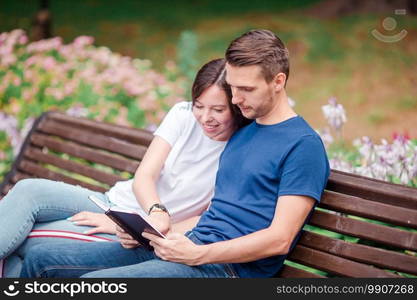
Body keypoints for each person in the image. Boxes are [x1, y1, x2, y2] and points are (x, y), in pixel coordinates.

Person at [21, 29, 330, 278]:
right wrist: (149, 232)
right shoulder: (244, 131)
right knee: (43, 258)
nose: (236, 99)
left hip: (227, 268)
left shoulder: (302, 146)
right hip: (186, 244)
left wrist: (200, 254)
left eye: (246, 90)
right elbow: (212, 213)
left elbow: (279, 238)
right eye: (233, 88)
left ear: (279, 82)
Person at [0, 58, 250, 277]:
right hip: (113, 201)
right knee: (27, 191)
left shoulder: (240, 149)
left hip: (135, 234)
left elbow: (205, 217)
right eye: (199, 105)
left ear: (237, 107)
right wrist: (154, 210)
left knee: (26, 242)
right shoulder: (182, 114)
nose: (205, 117)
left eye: (218, 110)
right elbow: (145, 175)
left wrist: (135, 227)